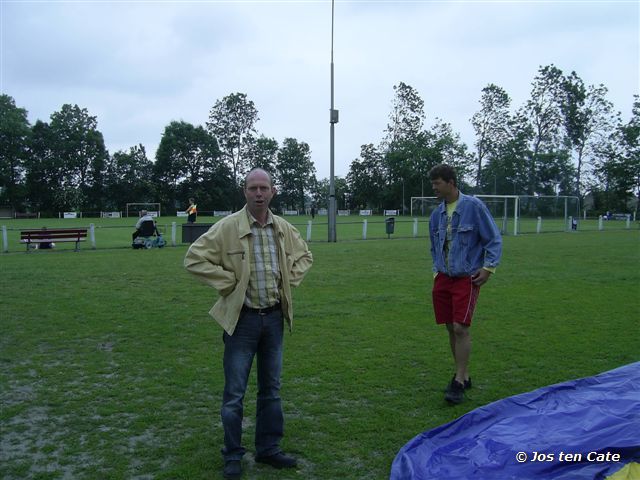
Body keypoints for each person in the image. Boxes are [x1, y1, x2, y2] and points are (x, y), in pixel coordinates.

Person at [184, 168, 313, 479]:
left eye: (263, 188)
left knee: (271, 389)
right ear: (244, 192)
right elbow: (194, 258)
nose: (258, 193)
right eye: (253, 188)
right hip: (241, 321)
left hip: (273, 319)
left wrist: (287, 283)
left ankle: (269, 449)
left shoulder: (282, 228)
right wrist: (228, 282)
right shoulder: (227, 227)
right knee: (234, 394)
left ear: (272, 192)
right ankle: (232, 454)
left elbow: (305, 256)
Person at [428, 164, 502, 405]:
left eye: (437, 183)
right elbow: (434, 246)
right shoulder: (436, 215)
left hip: (466, 277)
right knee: (450, 327)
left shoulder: (473, 207)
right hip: (443, 277)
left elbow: (493, 239)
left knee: (461, 328)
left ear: (451, 182)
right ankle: (464, 374)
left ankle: (458, 381)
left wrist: (488, 267)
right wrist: (435, 270)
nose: (434, 188)